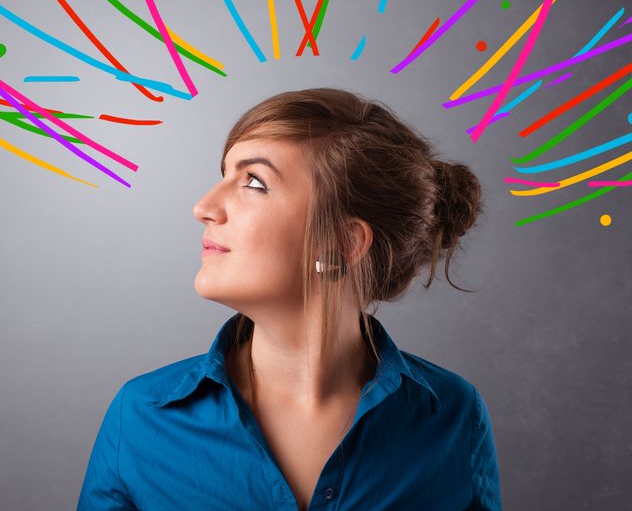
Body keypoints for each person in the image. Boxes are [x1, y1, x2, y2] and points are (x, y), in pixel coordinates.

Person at [76, 88, 501, 511]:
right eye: (224, 174)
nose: (204, 207)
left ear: (344, 242)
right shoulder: (141, 416)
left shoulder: (453, 416)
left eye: (254, 182)